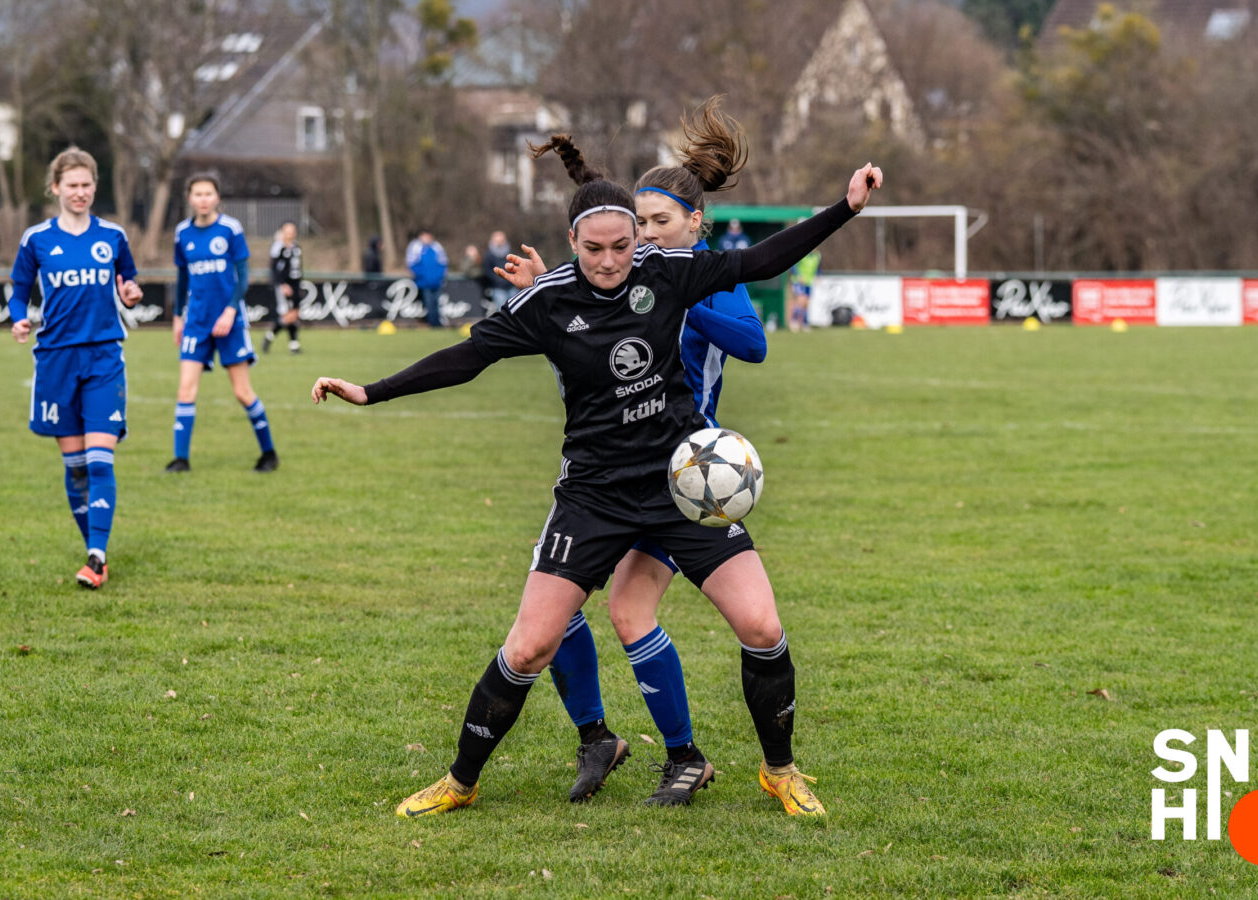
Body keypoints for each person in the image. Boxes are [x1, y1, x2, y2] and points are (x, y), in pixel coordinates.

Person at [311, 135, 882, 820]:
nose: (611, 261)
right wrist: (371, 391)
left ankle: (779, 771)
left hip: (679, 487)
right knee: (529, 645)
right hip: (593, 496)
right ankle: (460, 782)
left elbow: (760, 260)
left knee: (761, 625)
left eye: (623, 246)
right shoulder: (546, 301)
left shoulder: (665, 272)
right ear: (572, 243)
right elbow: (467, 358)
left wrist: (845, 208)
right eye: (595, 249)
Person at [497, 97, 771, 807]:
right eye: (638, 224)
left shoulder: (695, 275)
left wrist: (674, 294)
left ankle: (684, 755)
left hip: (681, 477)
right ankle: (598, 738)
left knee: (629, 612)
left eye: (657, 224)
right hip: (607, 472)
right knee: (558, 611)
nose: (644, 237)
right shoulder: (624, 277)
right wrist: (545, 296)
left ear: (693, 224)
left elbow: (753, 343)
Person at [8, 146, 144, 589]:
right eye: (72, 185)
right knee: (76, 467)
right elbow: (18, 292)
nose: (80, 192)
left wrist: (130, 295)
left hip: (104, 358)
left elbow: (128, 282)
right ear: (56, 188)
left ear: (94, 187)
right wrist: (18, 318)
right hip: (56, 361)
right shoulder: (36, 239)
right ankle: (95, 551)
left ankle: (96, 557)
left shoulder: (113, 236)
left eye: (86, 184)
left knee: (101, 462)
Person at [165, 172, 278, 473]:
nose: (203, 199)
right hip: (196, 322)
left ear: (217, 197)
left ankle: (269, 453)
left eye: (208, 193)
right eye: (197, 194)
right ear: (190, 198)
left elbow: (243, 277)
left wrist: (230, 311)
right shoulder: (182, 233)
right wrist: (177, 317)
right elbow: (182, 279)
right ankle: (180, 460)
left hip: (230, 323)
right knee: (185, 390)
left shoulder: (230, 228)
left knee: (242, 392)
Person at [264, 221, 303, 354]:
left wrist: (299, 285)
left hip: (295, 285)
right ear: (282, 232)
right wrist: (282, 284)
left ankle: (293, 345)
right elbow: (274, 269)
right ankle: (271, 336)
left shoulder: (296, 247)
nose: (290, 234)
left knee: (294, 314)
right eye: (287, 231)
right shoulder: (278, 247)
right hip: (284, 285)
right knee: (288, 315)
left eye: (292, 231)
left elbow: (298, 268)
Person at [405, 229, 449, 327]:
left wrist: (440, 276)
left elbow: (443, 263)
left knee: (436, 303)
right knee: (428, 303)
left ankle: (437, 323)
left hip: (436, 282)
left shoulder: (436, 246)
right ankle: (432, 323)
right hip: (424, 282)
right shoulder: (416, 246)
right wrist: (422, 276)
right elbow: (411, 264)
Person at [481, 230, 515, 315]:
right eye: (497, 241)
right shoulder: (489, 255)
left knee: (516, 307)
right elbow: (487, 271)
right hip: (497, 287)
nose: (499, 243)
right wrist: (498, 279)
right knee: (502, 309)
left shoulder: (510, 252)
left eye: (501, 240)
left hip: (511, 285)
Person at [788, 249, 821, 332]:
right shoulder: (802, 253)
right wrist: (798, 275)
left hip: (808, 282)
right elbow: (793, 266)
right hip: (798, 281)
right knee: (800, 300)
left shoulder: (817, 256)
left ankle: (805, 323)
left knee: (806, 303)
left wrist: (818, 275)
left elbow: (818, 268)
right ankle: (794, 321)